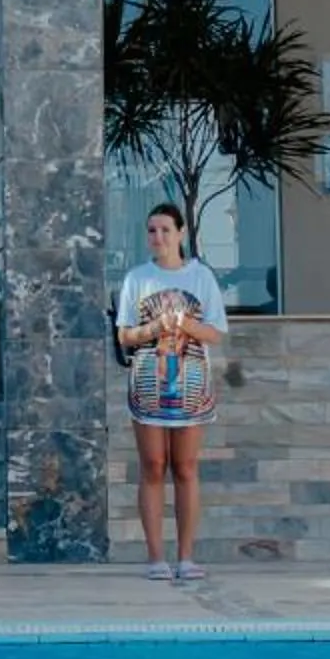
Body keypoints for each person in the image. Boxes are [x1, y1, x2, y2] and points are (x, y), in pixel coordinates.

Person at [116, 203, 228, 581]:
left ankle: (186, 555)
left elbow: (215, 332)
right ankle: (155, 557)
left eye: (165, 230)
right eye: (152, 230)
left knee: (185, 466)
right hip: (148, 383)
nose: (158, 237)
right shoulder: (137, 279)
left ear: (181, 233)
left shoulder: (202, 278)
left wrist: (185, 324)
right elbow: (125, 334)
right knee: (153, 466)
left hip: (191, 386)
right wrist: (152, 330)